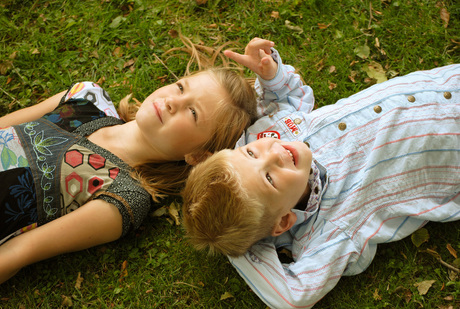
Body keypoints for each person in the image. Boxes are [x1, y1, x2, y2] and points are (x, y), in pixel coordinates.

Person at [181, 40, 460, 307]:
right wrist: (238, 245)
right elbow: (292, 298)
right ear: (283, 222)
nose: (274, 153)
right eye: (269, 178)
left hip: (444, 82)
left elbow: (287, 99)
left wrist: (271, 75)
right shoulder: (330, 231)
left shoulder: (265, 137)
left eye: (251, 153)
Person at [0, 38, 258, 284]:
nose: (172, 101)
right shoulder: (87, 96)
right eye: (181, 87)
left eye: (192, 112)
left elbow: (18, 252)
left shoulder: (125, 195)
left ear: (198, 156)